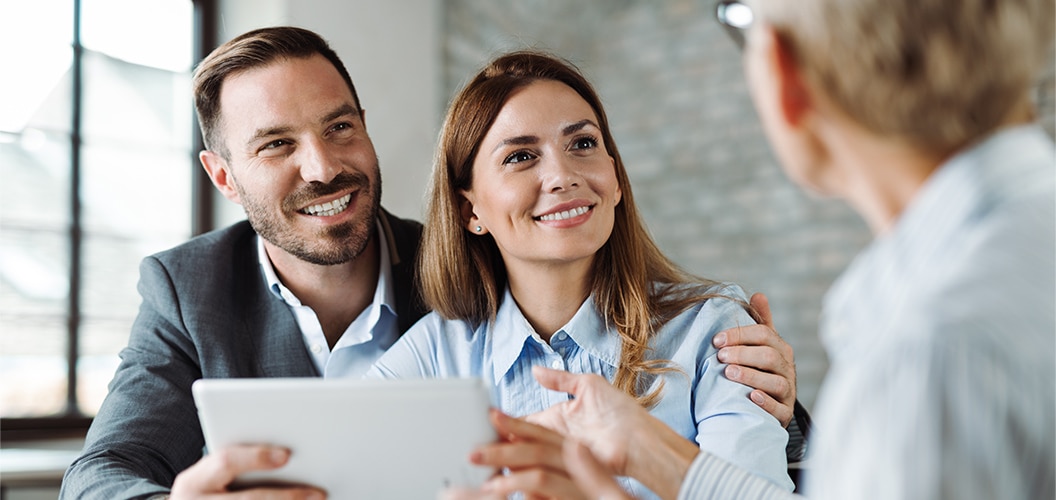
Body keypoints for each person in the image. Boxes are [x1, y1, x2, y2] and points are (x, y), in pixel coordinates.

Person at [59, 26, 803, 499]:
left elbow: (753, 436)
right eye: (276, 144)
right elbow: (100, 474)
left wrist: (768, 391)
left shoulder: (458, 277)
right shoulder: (191, 291)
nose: (322, 166)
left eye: (340, 127)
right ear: (223, 176)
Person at [484, 0, 1056, 499]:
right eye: (520, 156)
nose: (560, 176)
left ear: (783, 72)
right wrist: (657, 457)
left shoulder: (929, 353)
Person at [366, 50, 796, 499]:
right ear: (470, 210)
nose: (561, 175)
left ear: (616, 178)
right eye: (521, 156)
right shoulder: (432, 358)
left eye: (583, 144)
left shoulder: (713, 331)